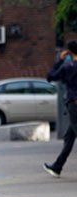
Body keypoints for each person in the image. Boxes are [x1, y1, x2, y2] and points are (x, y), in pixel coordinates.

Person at [44, 41, 77, 178]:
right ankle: (58, 166)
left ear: (69, 51)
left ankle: (58, 166)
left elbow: (51, 76)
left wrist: (60, 60)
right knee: (70, 136)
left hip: (73, 103)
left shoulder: (69, 66)